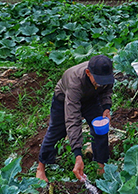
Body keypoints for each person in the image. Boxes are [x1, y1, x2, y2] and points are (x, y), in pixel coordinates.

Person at [36, 55, 114, 183]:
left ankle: (101, 165)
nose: (102, 83)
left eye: (105, 80)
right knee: (57, 131)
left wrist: (106, 107)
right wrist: (78, 154)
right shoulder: (75, 82)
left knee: (100, 127)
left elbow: (107, 90)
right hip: (64, 99)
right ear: (88, 73)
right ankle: (41, 167)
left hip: (90, 98)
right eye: (99, 80)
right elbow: (73, 120)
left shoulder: (105, 72)